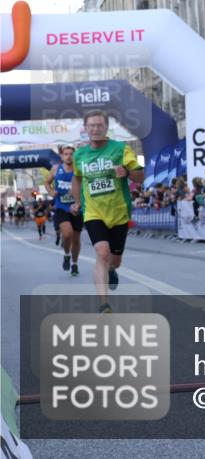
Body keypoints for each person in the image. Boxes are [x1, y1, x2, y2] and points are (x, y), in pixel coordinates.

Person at [71, 109, 145, 314]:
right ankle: (104, 303)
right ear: (85, 129)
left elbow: (140, 176)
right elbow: (77, 179)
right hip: (93, 212)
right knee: (102, 253)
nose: (95, 129)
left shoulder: (121, 149)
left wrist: (128, 172)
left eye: (99, 125)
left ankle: (112, 269)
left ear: (106, 128)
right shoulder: (79, 155)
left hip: (119, 212)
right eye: (91, 126)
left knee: (115, 261)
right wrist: (77, 202)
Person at [46, 145, 83, 276]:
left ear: (74, 155)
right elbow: (47, 182)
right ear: (61, 156)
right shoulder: (56, 169)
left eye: (71, 154)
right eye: (66, 154)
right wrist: (51, 191)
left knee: (77, 239)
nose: (68, 156)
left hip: (77, 208)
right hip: (61, 207)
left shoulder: (79, 169)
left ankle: (74, 264)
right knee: (67, 234)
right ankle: (66, 254)